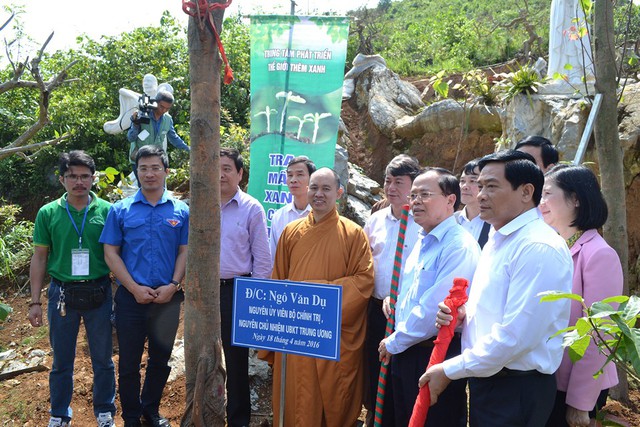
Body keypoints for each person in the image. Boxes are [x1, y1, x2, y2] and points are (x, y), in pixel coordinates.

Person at [420, 150, 573, 427]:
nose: (480, 195)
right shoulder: (498, 238)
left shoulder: (537, 247)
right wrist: (463, 315)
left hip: (516, 389)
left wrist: (449, 370)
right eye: (480, 186)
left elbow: (514, 337)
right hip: (489, 382)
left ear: (526, 192)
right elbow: (496, 309)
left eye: (491, 186)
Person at [260, 167, 374, 427]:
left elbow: (363, 281)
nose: (318, 194)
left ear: (339, 192)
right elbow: (279, 281)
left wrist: (314, 294)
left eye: (326, 189)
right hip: (296, 334)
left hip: (330, 336)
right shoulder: (290, 232)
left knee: (329, 401)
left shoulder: (354, 234)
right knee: (294, 397)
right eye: (314, 188)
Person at [378, 167, 480, 427]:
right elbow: (412, 295)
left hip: (434, 354)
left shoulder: (458, 245)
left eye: (425, 194)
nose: (415, 202)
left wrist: (394, 341)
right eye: (413, 196)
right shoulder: (423, 239)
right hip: (407, 350)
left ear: (450, 200)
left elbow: (432, 309)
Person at [100, 145, 188, 427]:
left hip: (167, 299)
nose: (149, 174)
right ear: (136, 172)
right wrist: (134, 288)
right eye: (143, 168)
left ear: (166, 172)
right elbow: (110, 253)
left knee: (160, 361)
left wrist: (174, 284)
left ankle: (151, 409)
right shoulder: (120, 209)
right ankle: (131, 416)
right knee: (128, 363)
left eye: (155, 168)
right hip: (130, 299)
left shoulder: (181, 210)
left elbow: (185, 251)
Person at [29, 151, 116, 427]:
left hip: (100, 292)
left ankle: (104, 411)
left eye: (84, 176)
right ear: (62, 179)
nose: (79, 181)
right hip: (61, 294)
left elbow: (116, 253)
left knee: (103, 358)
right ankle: (59, 413)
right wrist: (34, 301)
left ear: (93, 178)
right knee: (62, 360)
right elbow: (40, 256)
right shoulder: (48, 213)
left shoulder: (107, 211)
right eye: (72, 176)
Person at [540, 165, 622, 427]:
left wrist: (579, 402)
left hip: (576, 386)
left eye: (547, 194)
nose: (540, 203)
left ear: (575, 199)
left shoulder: (599, 254)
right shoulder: (555, 246)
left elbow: (599, 332)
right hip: (549, 377)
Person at [362, 154, 422, 426]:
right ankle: (376, 415)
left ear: (414, 185)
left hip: (408, 313)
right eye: (388, 181)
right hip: (376, 309)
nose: (391, 187)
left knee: (402, 374)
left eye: (399, 181)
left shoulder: (423, 223)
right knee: (373, 370)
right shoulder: (375, 220)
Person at [219, 147, 271, 427]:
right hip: (205, 292)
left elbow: (262, 260)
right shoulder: (200, 204)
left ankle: (237, 420)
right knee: (205, 353)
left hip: (237, 291)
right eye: (215, 167)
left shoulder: (252, 208)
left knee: (236, 361)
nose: (221, 174)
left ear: (240, 173)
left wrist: (255, 302)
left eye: (227, 168)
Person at [127, 90, 189, 170]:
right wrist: (135, 124)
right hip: (140, 160)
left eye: (167, 108)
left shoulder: (168, 119)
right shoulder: (143, 115)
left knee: (159, 182)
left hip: (156, 160)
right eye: (162, 107)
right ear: (156, 103)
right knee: (144, 182)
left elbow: (173, 138)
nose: (164, 111)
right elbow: (131, 138)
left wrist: (188, 149)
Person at [269, 155, 316, 260]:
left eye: (300, 174)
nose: (293, 180)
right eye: (290, 175)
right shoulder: (279, 216)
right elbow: (273, 256)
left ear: (312, 178)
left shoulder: (321, 215)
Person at [455, 159, 491, 248]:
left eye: (472, 181)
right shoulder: (452, 220)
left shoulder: (494, 224)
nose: (464, 187)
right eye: (462, 181)